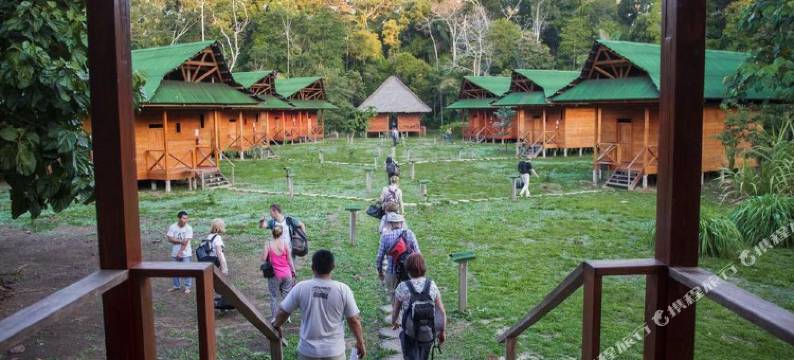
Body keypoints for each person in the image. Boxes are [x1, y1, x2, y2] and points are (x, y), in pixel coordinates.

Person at [273, 250, 366, 360]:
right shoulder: (343, 289)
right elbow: (354, 320)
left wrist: (276, 325)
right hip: (334, 352)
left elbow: (283, 312)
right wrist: (360, 342)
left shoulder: (301, 287)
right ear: (333, 267)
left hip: (307, 352)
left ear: (312, 267)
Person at [391, 254, 446, 360]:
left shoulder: (402, 287)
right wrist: (442, 331)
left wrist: (394, 321)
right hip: (428, 333)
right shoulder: (432, 285)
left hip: (409, 333)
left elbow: (396, 309)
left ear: (408, 269)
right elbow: (441, 312)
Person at [376, 213, 419, 299]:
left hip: (392, 272)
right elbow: (418, 253)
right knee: (409, 296)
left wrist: (380, 272)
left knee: (393, 296)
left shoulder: (385, 237)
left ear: (391, 224)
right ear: (401, 223)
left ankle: (396, 311)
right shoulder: (410, 233)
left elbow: (379, 257)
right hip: (409, 271)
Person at [261, 225, 296, 318]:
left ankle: (274, 318)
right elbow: (289, 259)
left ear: (272, 233)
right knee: (286, 296)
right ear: (281, 233)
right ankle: (286, 317)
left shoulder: (268, 243)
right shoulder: (285, 243)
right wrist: (293, 271)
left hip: (274, 274)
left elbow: (263, 258)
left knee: (274, 296)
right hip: (286, 273)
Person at [167, 211, 194, 294]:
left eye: (186, 218)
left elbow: (186, 242)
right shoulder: (173, 227)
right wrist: (180, 241)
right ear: (179, 218)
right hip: (174, 251)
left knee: (187, 270)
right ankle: (176, 286)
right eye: (183, 218)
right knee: (174, 270)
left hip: (186, 252)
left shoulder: (189, 228)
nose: (185, 220)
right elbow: (170, 239)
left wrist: (180, 252)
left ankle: (188, 287)